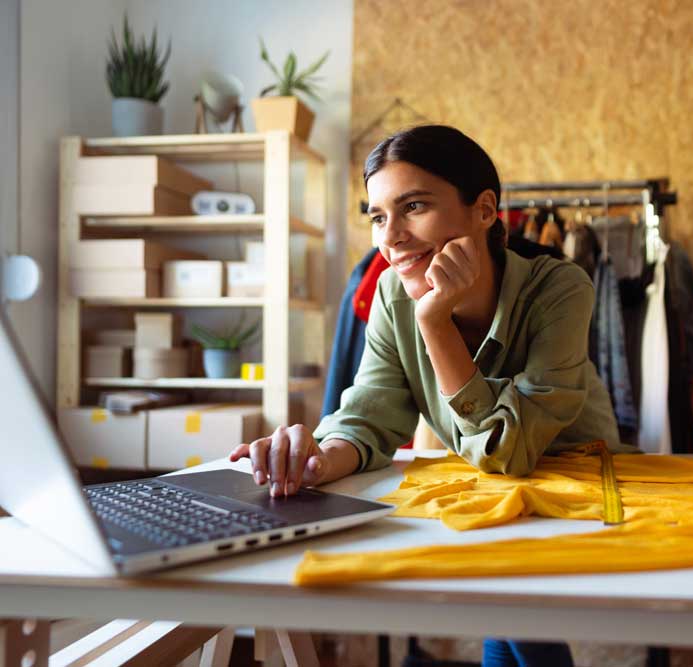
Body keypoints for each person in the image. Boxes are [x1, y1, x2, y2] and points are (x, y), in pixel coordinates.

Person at [229, 125, 635, 667]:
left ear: (485, 210)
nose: (390, 236)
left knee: (516, 616)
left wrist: (435, 322)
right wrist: (318, 458)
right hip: (488, 489)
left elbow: (508, 451)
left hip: (577, 487)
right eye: (377, 216)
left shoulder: (560, 289)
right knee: (506, 615)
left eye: (413, 206)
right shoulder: (390, 295)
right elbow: (370, 416)